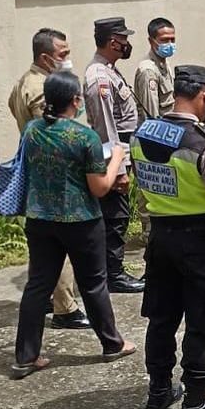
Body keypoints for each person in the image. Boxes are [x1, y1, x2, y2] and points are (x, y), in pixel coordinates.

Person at [130, 65, 205, 409]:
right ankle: (195, 404)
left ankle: (158, 392)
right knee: (203, 319)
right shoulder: (202, 143)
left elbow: (146, 188)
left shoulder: (142, 134)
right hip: (200, 240)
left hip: (160, 237)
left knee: (161, 317)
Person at [12, 71, 137, 379]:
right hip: (81, 220)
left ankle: (26, 356)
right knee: (94, 283)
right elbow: (99, 187)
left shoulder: (31, 131)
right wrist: (117, 157)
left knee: (38, 286)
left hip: (40, 218)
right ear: (75, 101)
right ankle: (112, 343)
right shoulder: (85, 138)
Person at [7, 28, 89, 330]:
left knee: (42, 247)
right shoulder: (42, 89)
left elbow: (10, 105)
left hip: (36, 172)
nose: (67, 59)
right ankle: (65, 307)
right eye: (63, 54)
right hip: (55, 178)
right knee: (61, 246)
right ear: (46, 57)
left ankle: (45, 297)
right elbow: (55, 128)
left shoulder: (23, 81)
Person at [84, 17, 145, 295]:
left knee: (117, 215)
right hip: (114, 156)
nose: (127, 44)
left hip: (122, 153)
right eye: (124, 39)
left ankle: (112, 270)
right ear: (113, 42)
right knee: (116, 217)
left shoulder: (109, 70)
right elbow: (105, 126)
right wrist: (117, 168)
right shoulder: (99, 77)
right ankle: (113, 274)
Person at [134, 16, 176, 122]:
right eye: (164, 40)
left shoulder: (164, 63)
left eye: (172, 39)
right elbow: (151, 116)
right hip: (159, 133)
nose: (170, 44)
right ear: (151, 41)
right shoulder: (148, 71)